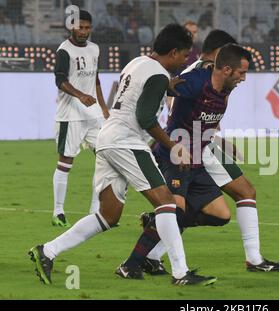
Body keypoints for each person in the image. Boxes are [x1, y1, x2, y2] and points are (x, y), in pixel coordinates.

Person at [29, 24, 216, 287]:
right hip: (126, 141)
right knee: (166, 203)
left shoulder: (137, 62)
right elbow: (145, 117)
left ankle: (46, 251)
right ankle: (181, 273)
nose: (185, 60)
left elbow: (137, 94)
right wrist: (173, 146)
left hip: (108, 138)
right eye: (184, 55)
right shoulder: (158, 75)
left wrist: (165, 87)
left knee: (108, 215)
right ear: (173, 52)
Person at [119, 42, 279, 278]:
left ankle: (157, 225)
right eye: (241, 73)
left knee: (221, 215)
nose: (244, 79)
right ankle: (131, 264)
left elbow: (206, 119)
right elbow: (159, 89)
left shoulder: (225, 90)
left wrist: (219, 141)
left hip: (198, 160)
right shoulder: (195, 81)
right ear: (226, 69)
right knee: (173, 211)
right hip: (174, 157)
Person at [51, 10, 109, 228]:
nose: (84, 31)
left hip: (93, 115)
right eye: (80, 27)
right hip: (70, 115)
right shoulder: (64, 51)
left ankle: (95, 210)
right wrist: (80, 95)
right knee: (66, 162)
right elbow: (60, 80)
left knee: (106, 157)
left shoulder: (95, 49)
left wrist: (103, 108)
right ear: (71, 27)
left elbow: (96, 79)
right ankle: (58, 211)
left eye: (87, 28)